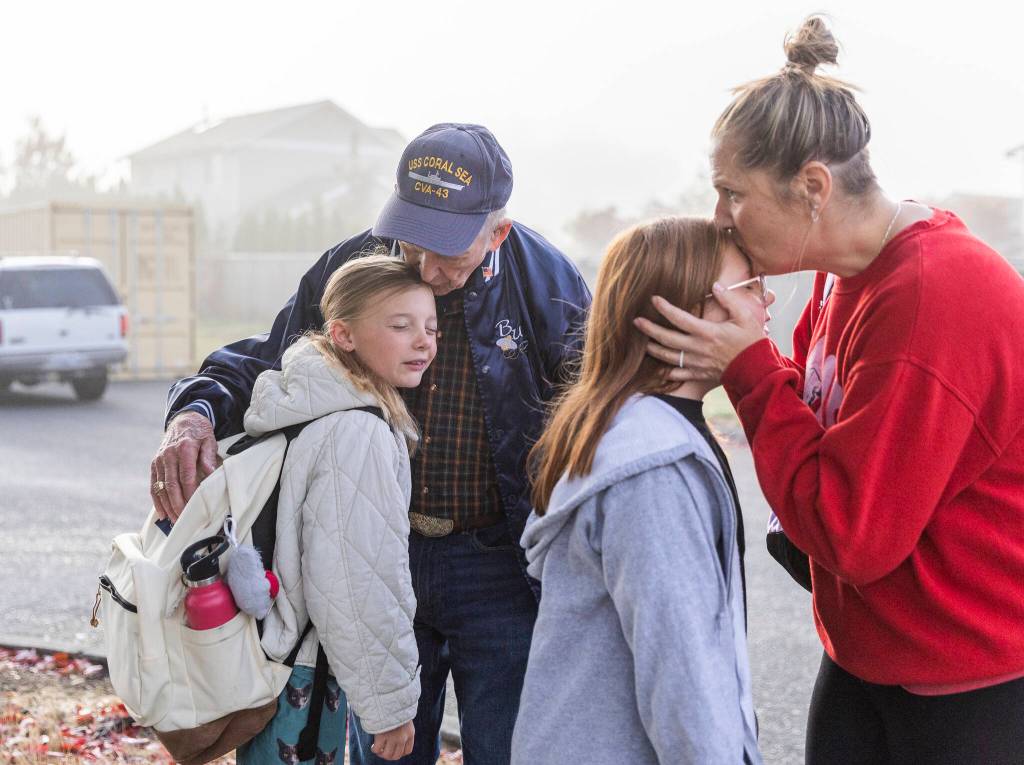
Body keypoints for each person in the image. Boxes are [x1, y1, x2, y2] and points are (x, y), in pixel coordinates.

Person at [636, 17, 1024, 764]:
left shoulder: (933, 298)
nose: (720, 217)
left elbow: (853, 533)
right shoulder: (846, 275)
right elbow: (814, 423)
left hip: (965, 688)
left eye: (731, 193)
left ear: (813, 187)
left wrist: (747, 370)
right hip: (868, 658)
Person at [150, 123, 591, 765]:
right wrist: (190, 416)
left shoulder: (549, 286)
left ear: (497, 232)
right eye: (414, 241)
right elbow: (265, 364)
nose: (426, 269)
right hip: (378, 556)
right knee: (385, 750)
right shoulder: (351, 265)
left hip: (500, 567)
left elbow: (594, 417)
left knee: (509, 750)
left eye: (449, 253)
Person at [512, 217, 767, 765]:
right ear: (679, 312)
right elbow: (682, 671)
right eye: (748, 287)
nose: (765, 302)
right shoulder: (651, 468)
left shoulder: (635, 428)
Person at [237, 255, 434, 763]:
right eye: (401, 325)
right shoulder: (357, 431)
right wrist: (389, 706)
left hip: (273, 655)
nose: (423, 341)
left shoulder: (310, 402)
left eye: (431, 327)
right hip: (305, 675)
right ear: (343, 335)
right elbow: (355, 582)